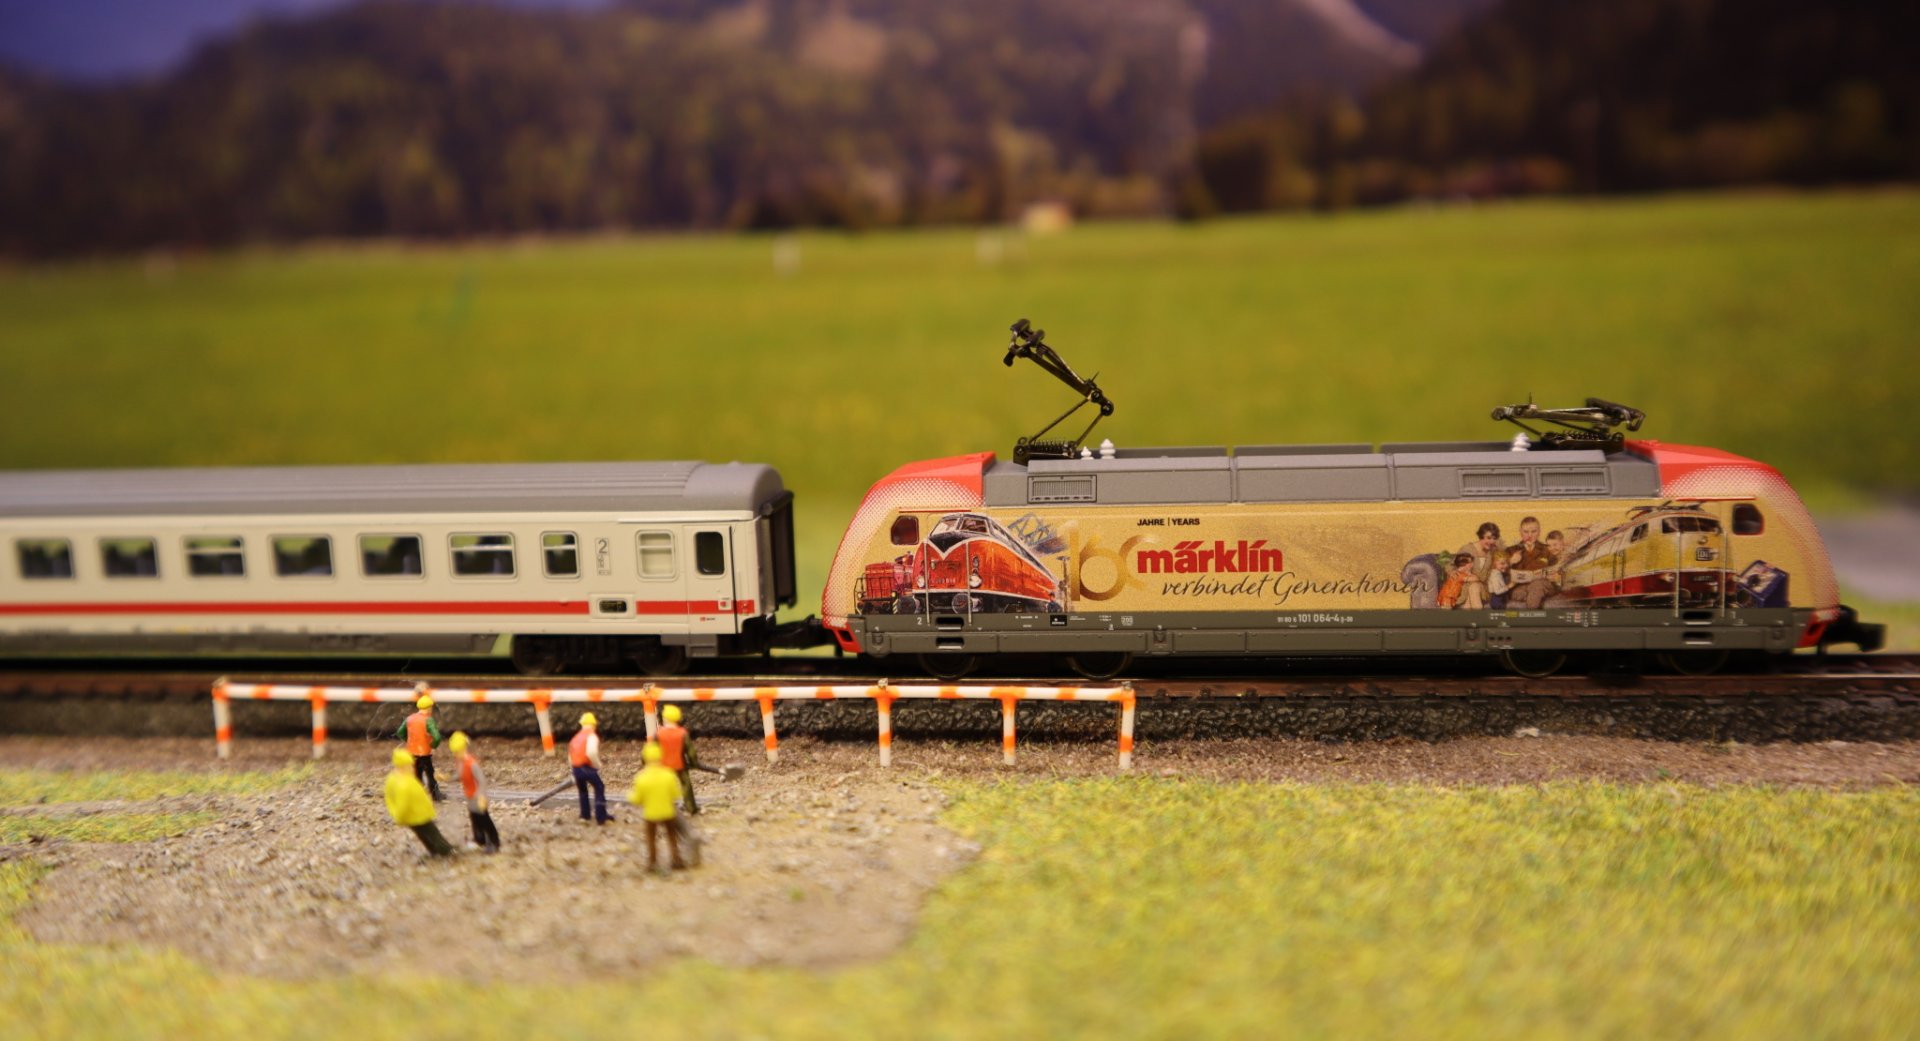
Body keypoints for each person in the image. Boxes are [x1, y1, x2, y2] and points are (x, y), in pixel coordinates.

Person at [385, 748, 455, 857]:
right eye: (409, 765)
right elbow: (402, 803)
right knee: (433, 834)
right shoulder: (404, 783)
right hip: (419, 815)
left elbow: (389, 796)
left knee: (423, 835)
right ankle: (446, 851)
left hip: (414, 815)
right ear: (402, 766)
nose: (412, 768)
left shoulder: (396, 778)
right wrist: (399, 816)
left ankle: (434, 851)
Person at [628, 742, 686, 872]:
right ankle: (676, 859)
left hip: (651, 813)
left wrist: (630, 796)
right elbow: (676, 794)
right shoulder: (669, 774)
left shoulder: (641, 778)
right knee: (671, 835)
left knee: (651, 837)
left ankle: (652, 862)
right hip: (668, 811)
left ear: (645, 758)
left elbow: (637, 799)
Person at [655, 704, 718, 815]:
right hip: (680, 764)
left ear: (665, 718)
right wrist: (694, 763)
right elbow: (691, 751)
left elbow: (651, 750)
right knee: (686, 785)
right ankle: (690, 808)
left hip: (663, 765)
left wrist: (648, 763)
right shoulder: (682, 733)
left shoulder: (659, 734)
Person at [450, 731, 501, 853]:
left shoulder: (471, 763)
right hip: (470, 795)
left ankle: (494, 842)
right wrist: (448, 778)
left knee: (484, 819)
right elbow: (460, 774)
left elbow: (482, 781)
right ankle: (479, 839)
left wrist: (481, 796)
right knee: (475, 818)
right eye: (455, 752)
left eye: (458, 751)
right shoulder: (460, 762)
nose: (456, 754)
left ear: (464, 748)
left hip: (478, 796)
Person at [393, 694, 444, 801]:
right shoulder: (428, 720)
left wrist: (409, 740)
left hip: (411, 752)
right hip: (424, 753)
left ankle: (417, 794)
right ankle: (435, 795)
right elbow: (437, 737)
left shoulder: (409, 718)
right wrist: (433, 745)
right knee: (430, 773)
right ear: (429, 708)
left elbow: (400, 732)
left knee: (416, 774)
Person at [569, 711, 615, 824]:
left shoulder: (575, 738)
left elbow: (570, 756)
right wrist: (597, 764)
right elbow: (591, 752)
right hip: (585, 767)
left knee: (583, 791)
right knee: (599, 787)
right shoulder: (591, 736)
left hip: (576, 768)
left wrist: (572, 771)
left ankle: (584, 816)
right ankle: (601, 816)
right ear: (593, 724)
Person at [1507, 517, 1556, 609]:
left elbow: (1558, 570)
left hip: (1542, 584)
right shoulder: (1511, 550)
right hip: (1520, 587)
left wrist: (1553, 575)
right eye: (1526, 532)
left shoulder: (1548, 549)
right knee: (1521, 593)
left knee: (1536, 587)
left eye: (1534, 531)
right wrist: (1510, 562)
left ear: (1539, 532)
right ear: (1520, 532)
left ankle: (1531, 615)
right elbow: (1498, 573)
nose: (1530, 535)